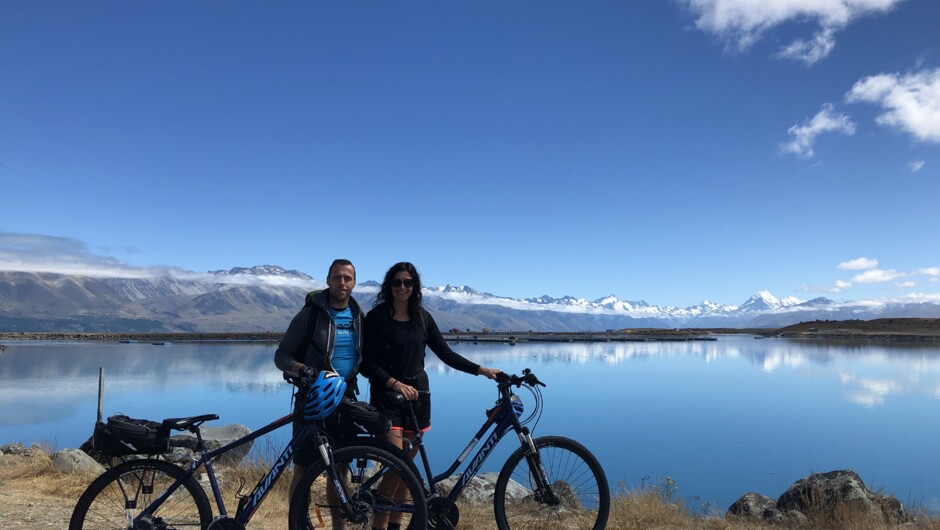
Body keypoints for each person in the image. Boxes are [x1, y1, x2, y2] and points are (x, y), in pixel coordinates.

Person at [361, 261, 500, 530]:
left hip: (418, 399)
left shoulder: (422, 318)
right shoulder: (377, 318)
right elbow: (368, 364)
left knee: (407, 474)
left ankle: (395, 525)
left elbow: (446, 354)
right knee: (395, 467)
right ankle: (378, 527)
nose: (402, 287)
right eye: (397, 282)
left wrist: (482, 370)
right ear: (389, 286)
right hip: (386, 399)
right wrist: (394, 383)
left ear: (415, 286)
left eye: (408, 282)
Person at [273, 258, 362, 496]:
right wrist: (302, 369)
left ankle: (338, 525)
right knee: (303, 468)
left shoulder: (359, 317)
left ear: (354, 283)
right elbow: (281, 355)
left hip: (346, 398)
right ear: (328, 281)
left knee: (340, 467)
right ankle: (296, 522)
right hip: (313, 398)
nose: (342, 282)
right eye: (337, 277)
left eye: (347, 278)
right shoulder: (310, 315)